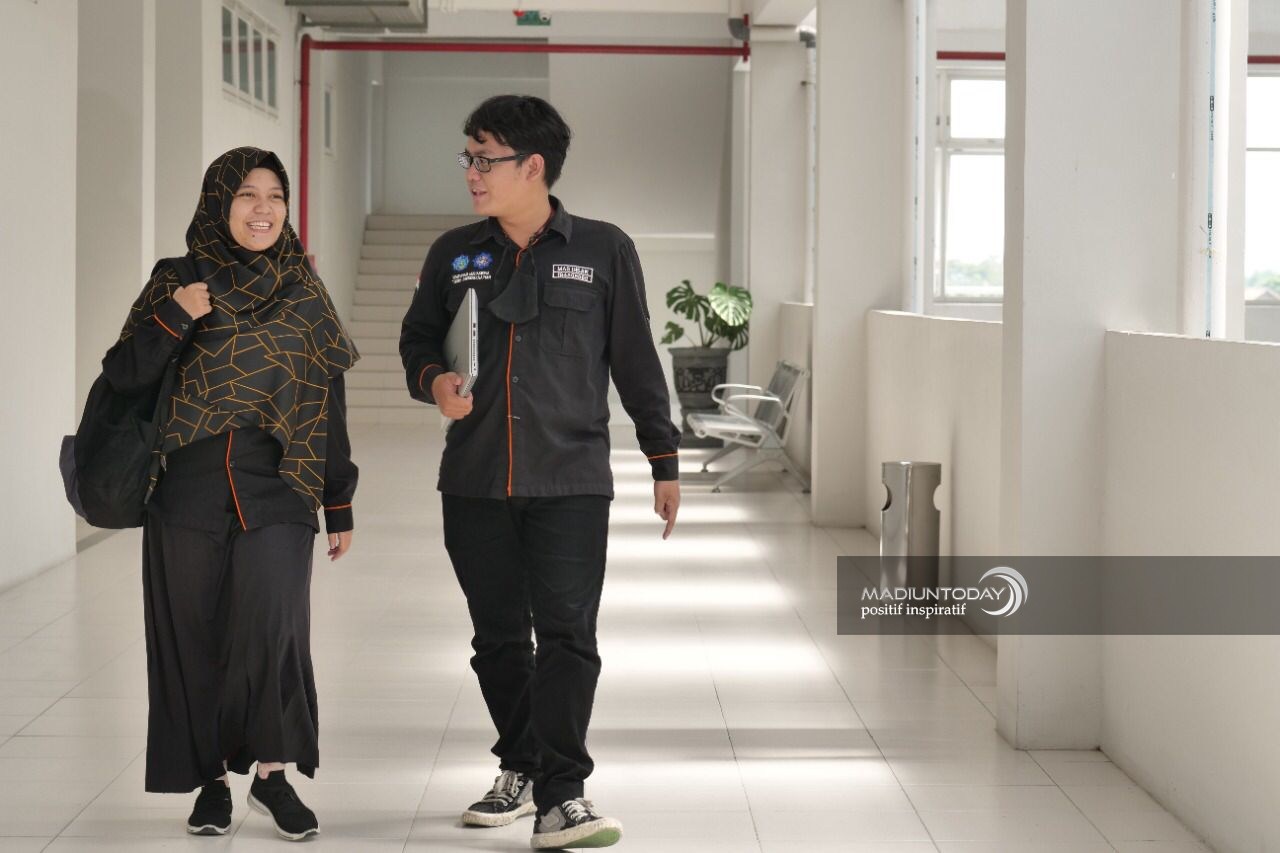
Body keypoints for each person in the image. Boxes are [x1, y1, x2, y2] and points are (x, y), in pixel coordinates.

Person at [400, 95, 681, 850]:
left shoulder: (603, 249)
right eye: (467, 157)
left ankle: (563, 794)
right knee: (497, 640)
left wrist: (662, 457)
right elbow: (417, 338)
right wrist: (434, 381)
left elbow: (635, 357)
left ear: (533, 167)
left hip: (571, 481)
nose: (471, 172)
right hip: (475, 479)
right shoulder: (454, 252)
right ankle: (520, 765)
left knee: (567, 637)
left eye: (484, 159)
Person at [102, 147, 359, 842]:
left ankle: (272, 775)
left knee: (274, 630)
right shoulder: (177, 278)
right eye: (247, 194)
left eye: (274, 195)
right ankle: (212, 781)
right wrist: (174, 317)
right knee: (193, 634)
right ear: (219, 202)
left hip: (278, 487)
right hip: (186, 489)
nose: (263, 208)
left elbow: (326, 397)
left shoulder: (303, 287)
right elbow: (123, 373)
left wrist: (338, 497)